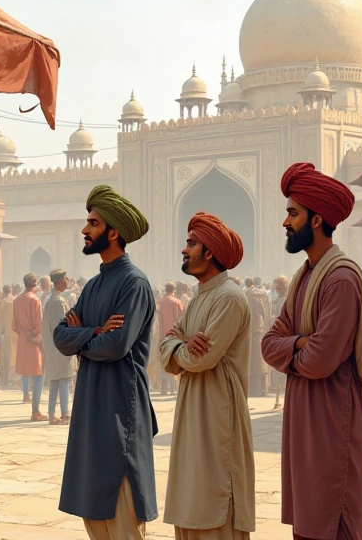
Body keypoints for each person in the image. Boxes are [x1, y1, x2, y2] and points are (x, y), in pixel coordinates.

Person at [261, 163, 362, 540]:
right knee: (308, 523)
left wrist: (294, 346)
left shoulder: (341, 279)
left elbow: (319, 360)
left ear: (316, 220)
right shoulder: (306, 276)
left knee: (333, 521)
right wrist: (299, 342)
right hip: (304, 418)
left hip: (332, 420)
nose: (285, 222)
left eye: (292, 213)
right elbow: (268, 342)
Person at [54, 185, 157, 540]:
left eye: (93, 223)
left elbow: (116, 346)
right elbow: (58, 336)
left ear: (113, 232)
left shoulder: (135, 284)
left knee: (121, 515)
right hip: (90, 405)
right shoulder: (94, 285)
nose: (85, 230)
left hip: (119, 406)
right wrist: (94, 331)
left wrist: (83, 335)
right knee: (94, 515)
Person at [159, 212, 255, 540]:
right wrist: (180, 342)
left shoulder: (229, 296)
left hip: (218, 412)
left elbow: (200, 359)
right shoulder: (201, 295)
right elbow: (165, 351)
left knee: (214, 498)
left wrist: (180, 345)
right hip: (193, 409)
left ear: (209, 252)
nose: (184, 250)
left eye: (191, 243)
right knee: (191, 494)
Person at [43, 269, 75, 425]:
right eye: (65, 280)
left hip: (54, 347)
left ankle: (51, 414)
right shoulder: (57, 302)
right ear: (61, 281)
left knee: (56, 380)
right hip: (60, 348)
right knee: (63, 380)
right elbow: (61, 327)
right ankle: (64, 414)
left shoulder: (53, 299)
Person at [13, 273, 46, 420]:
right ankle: (35, 411)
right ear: (35, 284)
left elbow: (13, 325)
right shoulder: (35, 300)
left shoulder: (17, 300)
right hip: (34, 342)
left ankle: (26, 395)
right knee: (38, 374)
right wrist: (34, 334)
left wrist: (23, 332)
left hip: (22, 341)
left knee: (27, 371)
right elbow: (39, 325)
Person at [244, 277, 272, 398]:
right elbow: (268, 311)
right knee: (261, 358)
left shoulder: (244, 294)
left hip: (248, 330)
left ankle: (253, 388)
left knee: (250, 359)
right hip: (261, 328)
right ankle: (262, 388)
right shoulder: (264, 294)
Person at [158, 282, 185, 395]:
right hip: (175, 336)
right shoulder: (178, 302)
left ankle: (164, 388)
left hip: (162, 336)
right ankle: (175, 388)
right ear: (174, 290)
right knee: (176, 361)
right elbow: (182, 319)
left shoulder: (160, 303)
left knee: (163, 362)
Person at [271, 275, 290, 409]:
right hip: (283, 338)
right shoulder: (280, 301)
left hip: (283, 338)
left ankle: (281, 399)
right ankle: (279, 399)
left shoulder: (285, 301)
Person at [0, 284, 15, 389]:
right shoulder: (15, 301)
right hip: (15, 334)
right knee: (11, 359)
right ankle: (10, 380)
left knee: (4, 359)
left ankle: (4, 380)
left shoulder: (3, 302)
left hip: (5, 334)